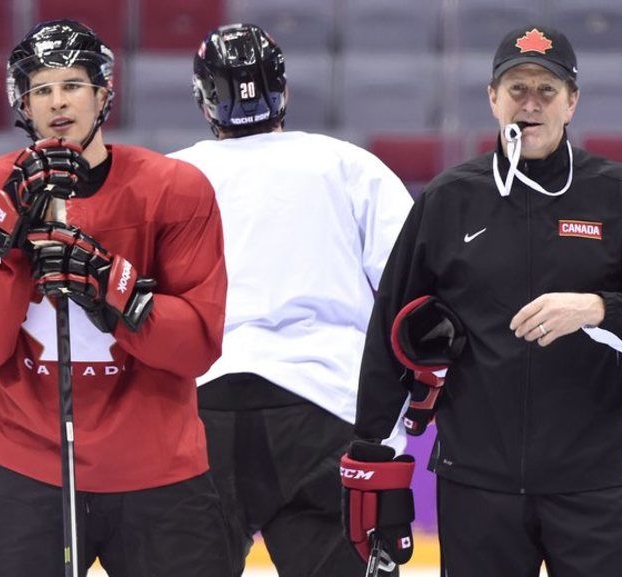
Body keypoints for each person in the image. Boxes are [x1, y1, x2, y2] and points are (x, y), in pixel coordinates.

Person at [346, 24, 622, 577]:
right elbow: (390, 334)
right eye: (517, 90)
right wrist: (374, 456)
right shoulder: (448, 201)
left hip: (592, 485)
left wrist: (599, 309)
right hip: (476, 487)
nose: (530, 105)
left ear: (572, 102)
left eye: (546, 91)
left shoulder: (621, 196)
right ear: (492, 99)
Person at [0, 19, 230, 577]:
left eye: (72, 85)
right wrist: (10, 235)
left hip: (159, 476)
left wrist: (109, 284)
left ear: (103, 94)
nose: (58, 102)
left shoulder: (175, 188)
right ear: (23, 103)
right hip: (25, 474)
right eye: (41, 89)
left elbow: (196, 350)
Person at [167, 23, 415, 577]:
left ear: (205, 98)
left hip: (198, 414)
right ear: (284, 90)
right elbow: (416, 298)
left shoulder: (169, 176)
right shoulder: (348, 165)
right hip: (325, 410)